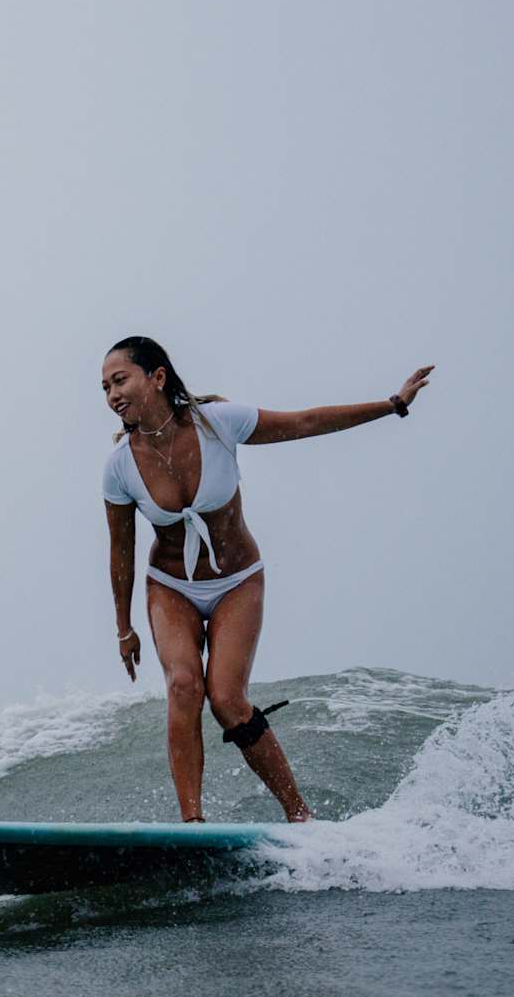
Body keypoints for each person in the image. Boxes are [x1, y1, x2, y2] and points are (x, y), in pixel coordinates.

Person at [100, 336, 432, 823]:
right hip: (171, 587)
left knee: (229, 700)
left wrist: (393, 405)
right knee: (185, 684)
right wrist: (123, 627)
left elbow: (307, 421)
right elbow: (120, 552)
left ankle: (299, 814)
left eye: (120, 379)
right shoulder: (119, 467)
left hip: (238, 580)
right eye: (105, 387)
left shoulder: (219, 424)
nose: (111, 394)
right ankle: (192, 823)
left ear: (158, 377)